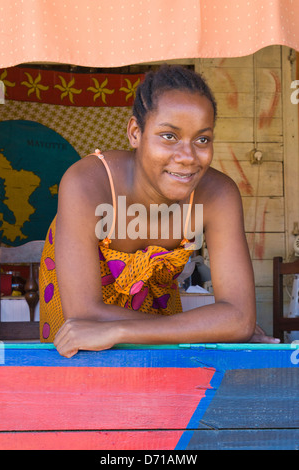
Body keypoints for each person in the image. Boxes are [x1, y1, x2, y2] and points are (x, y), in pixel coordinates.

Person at [39, 65, 279, 358]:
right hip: (82, 329)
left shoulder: (219, 194)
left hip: (158, 323)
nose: (188, 158)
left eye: (202, 139)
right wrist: (210, 327)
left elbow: (239, 318)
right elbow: (84, 318)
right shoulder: (87, 184)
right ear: (135, 133)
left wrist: (120, 331)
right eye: (169, 136)